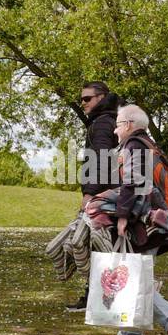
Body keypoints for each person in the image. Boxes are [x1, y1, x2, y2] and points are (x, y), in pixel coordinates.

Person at [101, 104, 168, 335]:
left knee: (134, 281)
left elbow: (132, 183)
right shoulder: (150, 146)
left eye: (118, 125)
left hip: (145, 226)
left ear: (129, 125)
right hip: (158, 224)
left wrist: (121, 217)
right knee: (135, 277)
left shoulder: (134, 146)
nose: (116, 131)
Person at [66, 81, 120, 312]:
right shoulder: (109, 121)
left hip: (104, 197)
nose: (83, 103)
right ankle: (97, 296)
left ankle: (99, 297)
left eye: (87, 98)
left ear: (101, 97)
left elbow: (100, 161)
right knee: (102, 247)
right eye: (82, 99)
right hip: (112, 195)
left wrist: (89, 194)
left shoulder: (102, 123)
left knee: (92, 244)